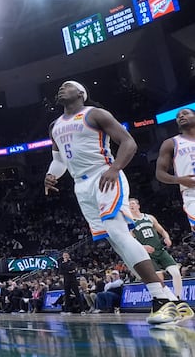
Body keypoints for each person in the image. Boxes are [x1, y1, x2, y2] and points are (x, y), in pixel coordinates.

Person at [44, 81, 181, 324]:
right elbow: (60, 161)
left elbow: (129, 143)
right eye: (60, 87)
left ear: (81, 93)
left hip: (104, 175)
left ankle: (161, 300)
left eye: (67, 86)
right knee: (114, 242)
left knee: (119, 234)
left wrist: (115, 168)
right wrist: (51, 175)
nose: (61, 88)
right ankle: (171, 299)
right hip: (81, 185)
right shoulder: (54, 126)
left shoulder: (95, 114)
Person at [125, 197, 193, 320]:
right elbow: (130, 239)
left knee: (176, 273)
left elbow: (162, 230)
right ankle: (167, 303)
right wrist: (143, 246)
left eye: (133, 203)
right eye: (129, 204)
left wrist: (167, 237)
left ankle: (177, 299)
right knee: (159, 279)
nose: (131, 206)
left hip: (160, 250)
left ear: (138, 205)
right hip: (148, 255)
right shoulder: (130, 222)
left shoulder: (149, 217)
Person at [155, 107, 195, 238]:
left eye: (185, 113)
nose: (181, 116)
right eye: (178, 116)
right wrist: (179, 180)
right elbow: (160, 174)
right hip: (191, 191)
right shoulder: (171, 143)